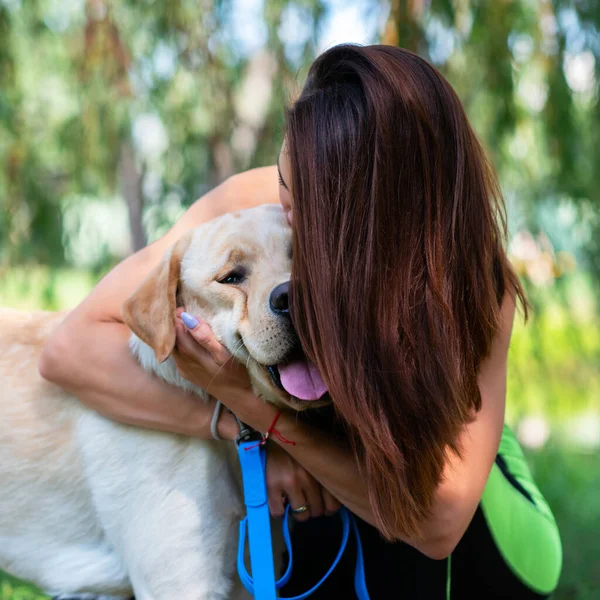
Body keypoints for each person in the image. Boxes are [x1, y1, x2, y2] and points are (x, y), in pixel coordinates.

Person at [40, 44, 562, 598]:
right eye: (285, 184)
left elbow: (437, 521)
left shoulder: (476, 282)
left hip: (473, 530)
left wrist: (271, 426)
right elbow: (70, 349)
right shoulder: (263, 200)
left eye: (302, 201)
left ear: (371, 211)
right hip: (337, 495)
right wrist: (252, 435)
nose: (280, 208)